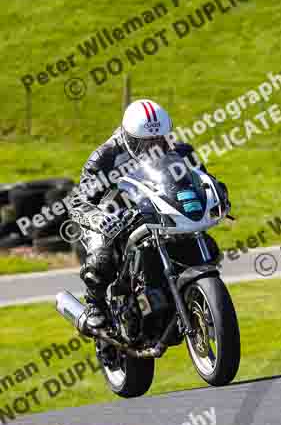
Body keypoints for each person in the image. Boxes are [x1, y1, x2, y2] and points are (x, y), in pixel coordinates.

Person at [70, 99, 220, 329]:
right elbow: (79, 201)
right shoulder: (105, 156)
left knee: (208, 246)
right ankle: (95, 304)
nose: (154, 148)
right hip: (115, 216)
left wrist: (215, 194)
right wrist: (100, 218)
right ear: (128, 137)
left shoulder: (181, 151)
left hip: (158, 211)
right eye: (145, 143)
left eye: (160, 140)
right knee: (101, 259)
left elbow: (199, 180)